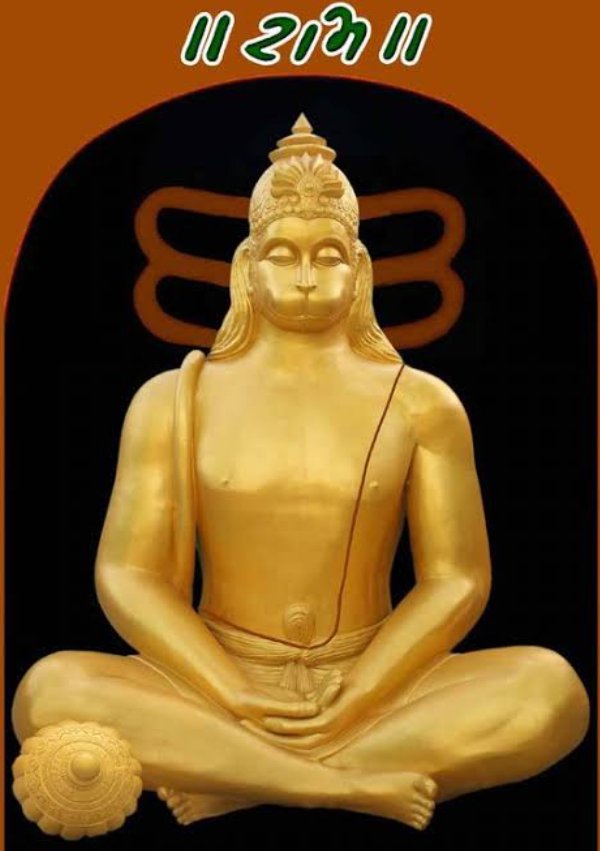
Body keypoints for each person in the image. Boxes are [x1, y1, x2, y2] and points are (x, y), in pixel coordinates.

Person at [11, 115, 589, 839]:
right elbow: (128, 575)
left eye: (329, 256)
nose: (308, 277)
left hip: (372, 677)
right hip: (215, 678)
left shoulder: (421, 402)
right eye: (283, 255)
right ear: (246, 265)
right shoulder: (174, 398)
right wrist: (232, 691)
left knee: (550, 690)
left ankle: (235, 782)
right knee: (50, 688)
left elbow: (458, 580)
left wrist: (359, 691)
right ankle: (333, 783)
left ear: (361, 268)